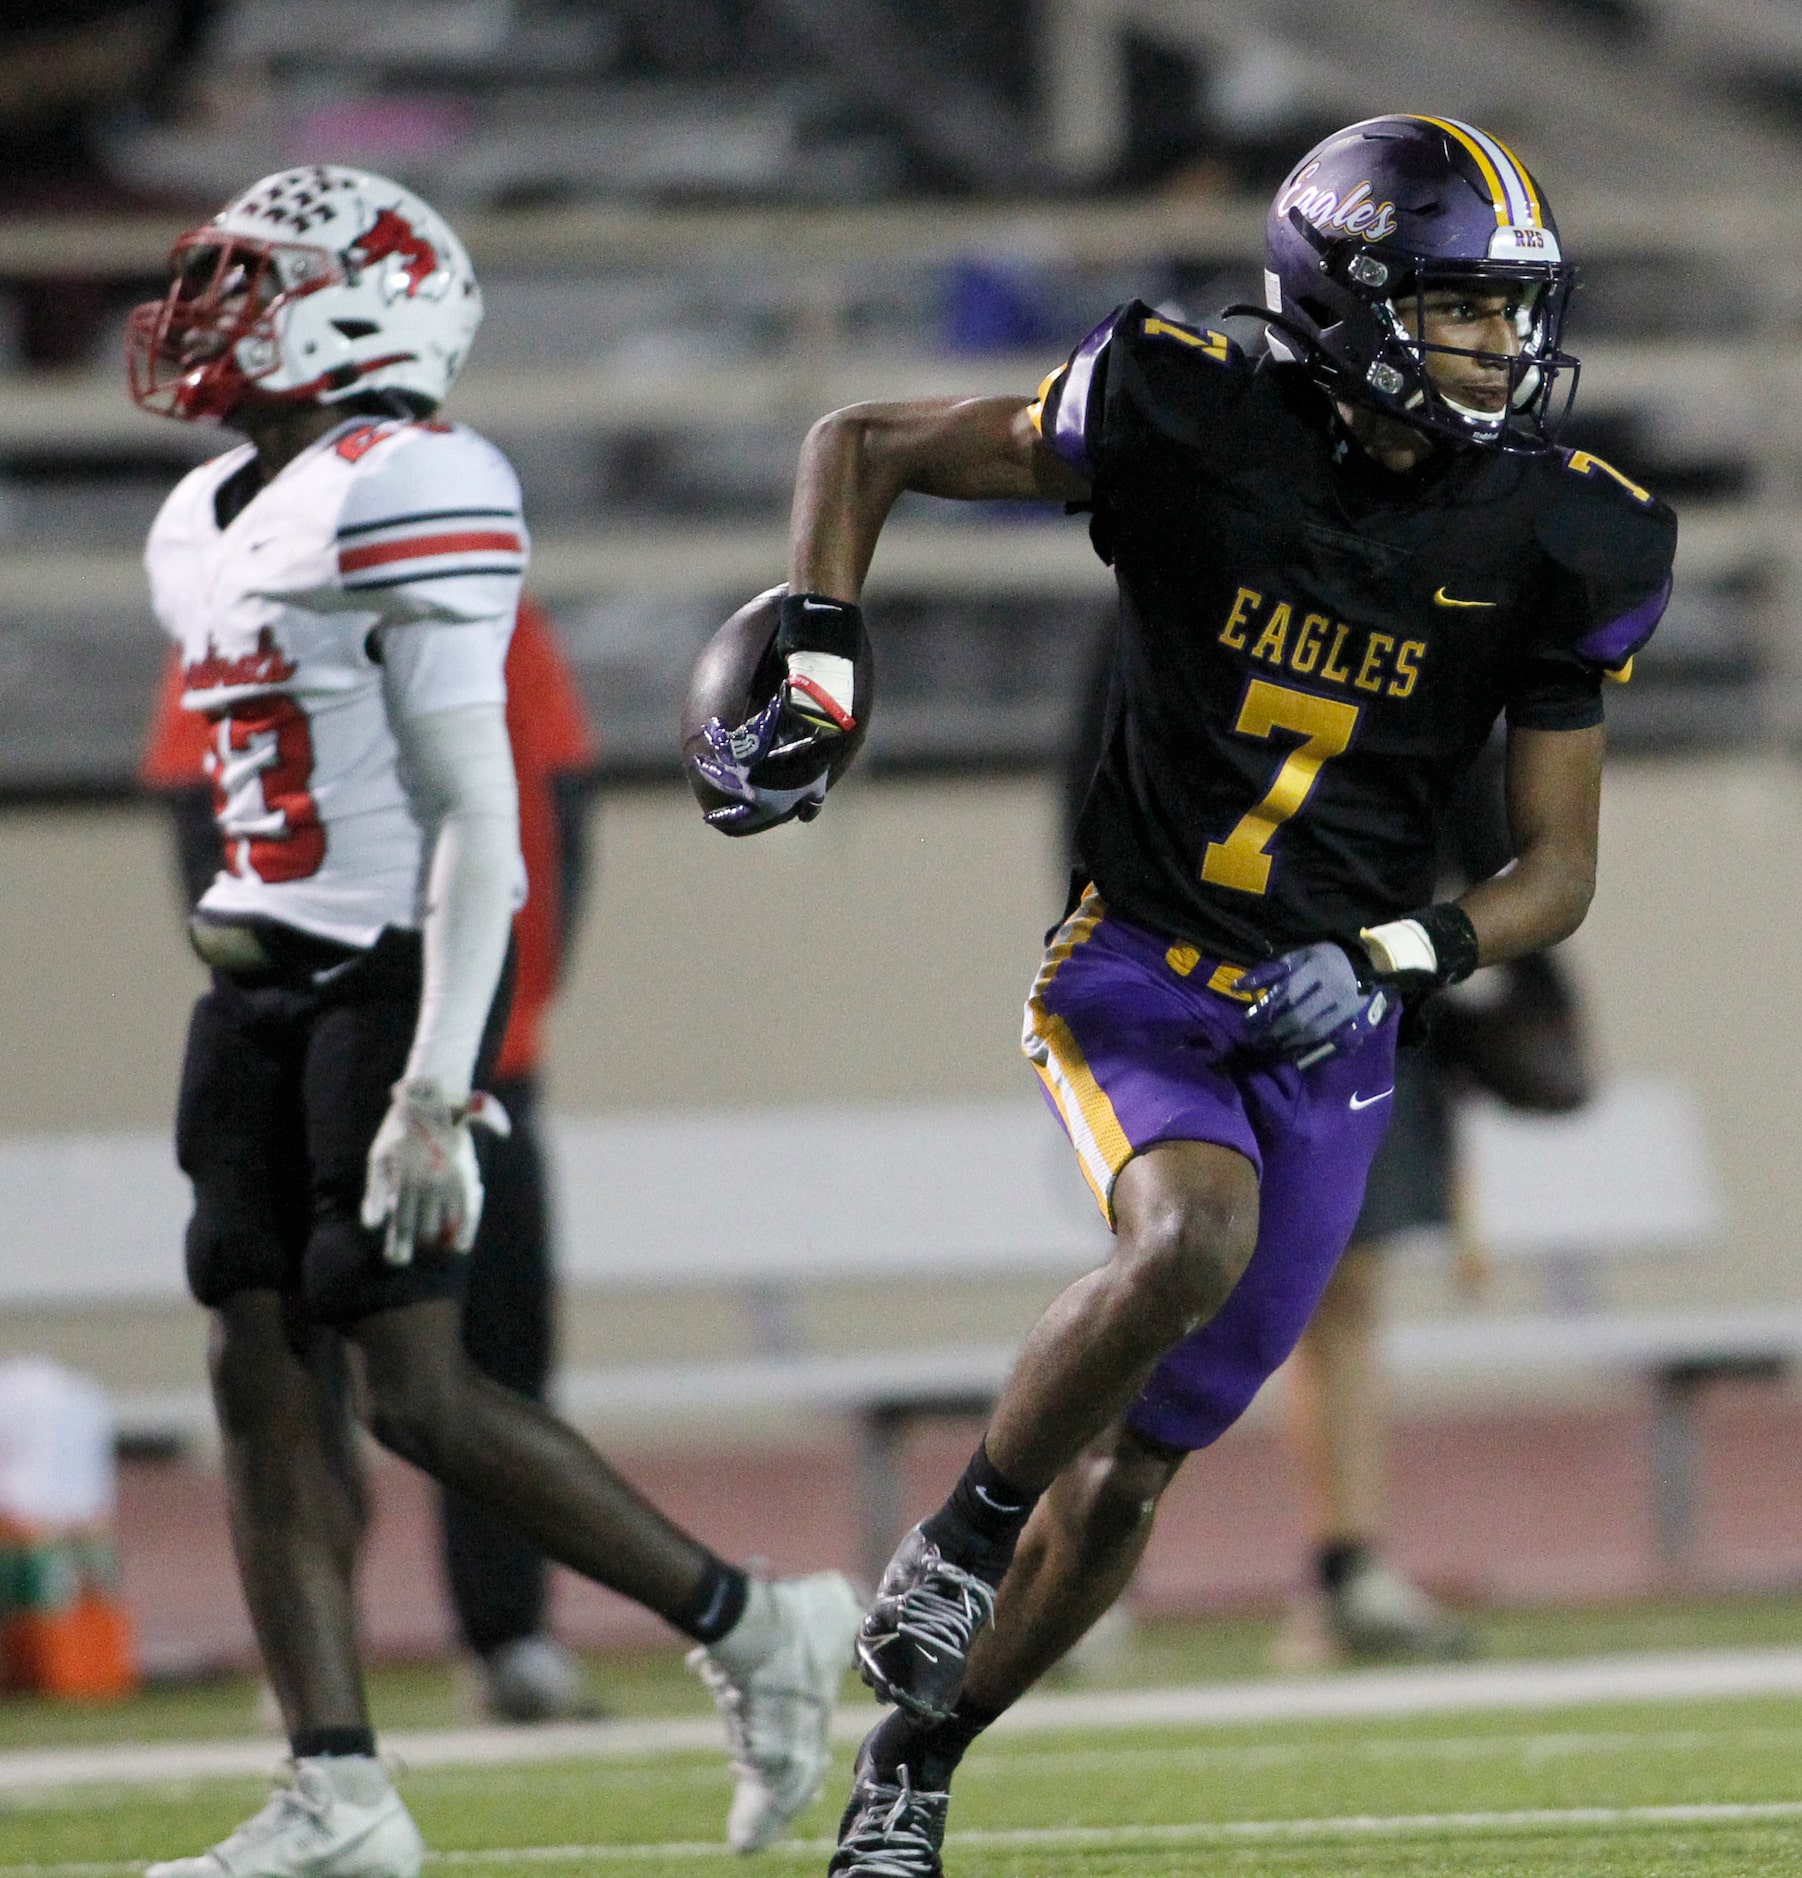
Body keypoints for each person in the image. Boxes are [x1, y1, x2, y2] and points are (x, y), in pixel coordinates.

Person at [687, 115, 1676, 1875]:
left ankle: (915, 1762)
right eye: (1456, 308)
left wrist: (1382, 956)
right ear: (1350, 299)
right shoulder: (1183, 402)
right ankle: (961, 1535)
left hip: (1337, 1007)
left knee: (1138, 1473)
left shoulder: (1562, 530)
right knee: (1186, 1235)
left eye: (1508, 311)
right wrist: (819, 640)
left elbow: (1556, 874)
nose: (1497, 348)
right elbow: (864, 440)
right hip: (1139, 955)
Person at [127, 164, 859, 1878]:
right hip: (252, 985)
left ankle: (756, 1622)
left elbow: (484, 815)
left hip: (388, 978)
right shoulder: (204, 512)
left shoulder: (418, 477)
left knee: (415, 1395)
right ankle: (338, 1785)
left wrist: (446, 1075)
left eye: (256, 281)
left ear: (367, 303)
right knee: (255, 1371)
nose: (207, 314)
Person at [140, 596, 613, 1722]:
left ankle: (508, 1637)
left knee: (485, 1360)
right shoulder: (239, 607)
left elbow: (553, 818)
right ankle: (315, 1652)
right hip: (312, 1055)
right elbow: (199, 816)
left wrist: (499, 1018)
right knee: (292, 1363)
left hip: (470, 1064)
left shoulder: (495, 615)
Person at [1276, 729, 1593, 1665]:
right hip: (1210, 975)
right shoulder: (1178, 587)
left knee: (1351, 1289)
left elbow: (1477, 812)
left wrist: (1534, 979)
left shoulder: (1435, 607)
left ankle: (1349, 1570)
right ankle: (1076, 1560)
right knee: (1182, 1290)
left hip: (1371, 988)